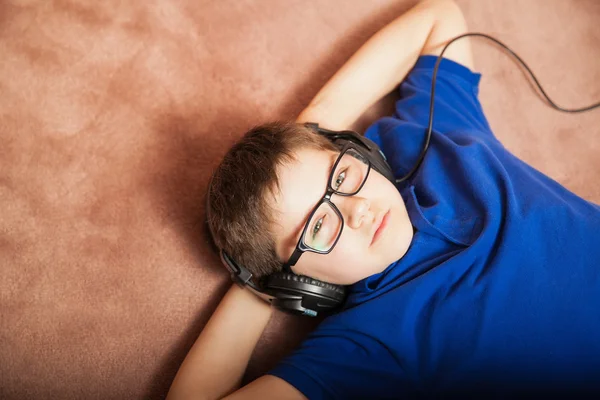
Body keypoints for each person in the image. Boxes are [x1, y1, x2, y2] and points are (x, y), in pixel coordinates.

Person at [167, 0, 600, 398]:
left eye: (341, 176)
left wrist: (313, 128)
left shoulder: (425, 141)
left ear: (359, 153)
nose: (357, 210)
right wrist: (263, 285)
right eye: (317, 227)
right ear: (302, 283)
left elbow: (440, 17)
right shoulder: (366, 343)